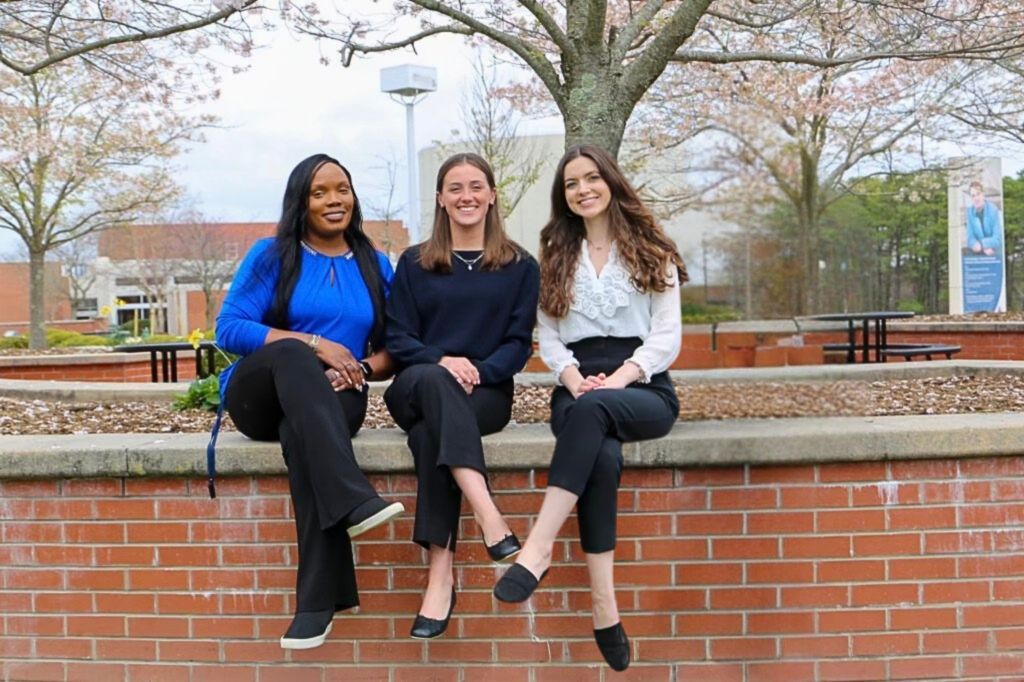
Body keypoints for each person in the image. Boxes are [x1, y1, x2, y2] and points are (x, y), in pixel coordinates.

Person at [493, 144, 686, 671]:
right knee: (598, 452)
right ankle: (605, 606)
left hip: (643, 385)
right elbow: (549, 337)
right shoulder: (555, 251)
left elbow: (667, 337)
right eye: (572, 183)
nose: (583, 189)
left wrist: (620, 379)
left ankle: (537, 548)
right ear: (564, 195)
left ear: (610, 182)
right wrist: (576, 380)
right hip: (577, 387)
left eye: (592, 178)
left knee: (596, 415)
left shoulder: (652, 248)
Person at [215, 153, 405, 651]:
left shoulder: (374, 263)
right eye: (319, 192)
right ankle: (353, 498)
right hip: (261, 395)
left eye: (341, 188)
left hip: (336, 397)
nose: (333, 200)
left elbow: (398, 348)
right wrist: (315, 344)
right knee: (295, 355)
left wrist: (361, 369)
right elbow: (229, 329)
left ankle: (317, 605)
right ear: (301, 202)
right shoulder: (272, 254)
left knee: (306, 435)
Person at [384, 152, 540, 640]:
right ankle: (489, 515)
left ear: (493, 195)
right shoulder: (413, 262)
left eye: (476, 186)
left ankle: (440, 575)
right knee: (434, 381)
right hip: (417, 383)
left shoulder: (520, 266)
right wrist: (442, 360)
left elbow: (518, 344)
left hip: (485, 394)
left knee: (432, 436)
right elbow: (397, 337)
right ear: (440, 199)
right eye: (455, 188)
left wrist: (478, 371)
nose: (466, 196)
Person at [966, 181, 1003, 256]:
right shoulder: (969, 212)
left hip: (994, 250)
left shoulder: (993, 210)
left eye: (978, 194)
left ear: (983, 194)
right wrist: (979, 246)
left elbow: (997, 238)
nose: (976, 198)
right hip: (978, 250)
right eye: (973, 196)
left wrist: (982, 244)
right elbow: (970, 238)